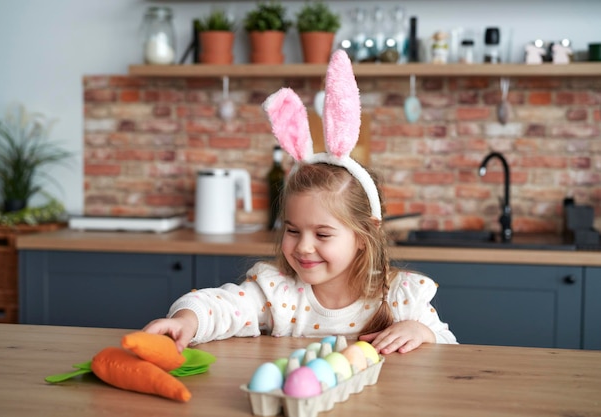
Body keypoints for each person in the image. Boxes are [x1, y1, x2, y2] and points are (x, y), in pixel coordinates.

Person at [143, 50, 457, 355]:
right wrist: (186, 320)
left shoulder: (403, 300)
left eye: (322, 234)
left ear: (363, 236)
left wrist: (423, 333)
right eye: (293, 230)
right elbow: (220, 306)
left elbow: (451, 350)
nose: (303, 247)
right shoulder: (278, 295)